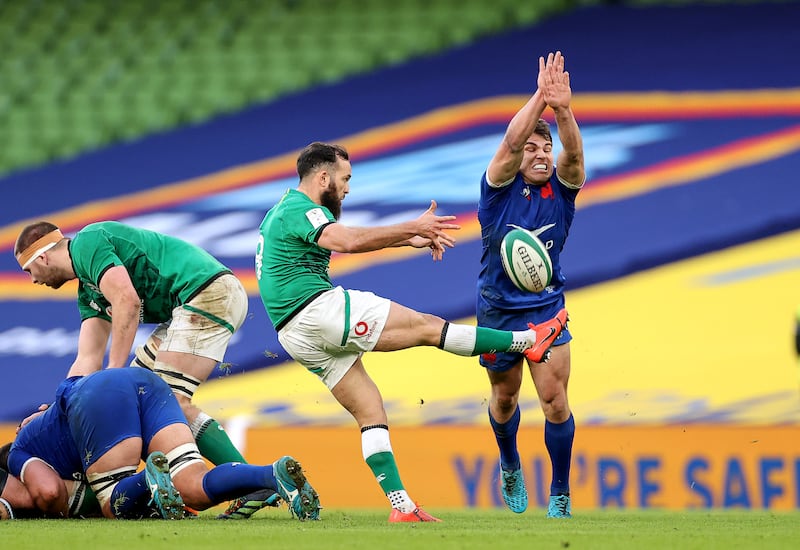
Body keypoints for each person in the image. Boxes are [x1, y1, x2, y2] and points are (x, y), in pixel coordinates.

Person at [255, 141, 568, 523]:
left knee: (370, 410)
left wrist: (408, 239)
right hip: (318, 310)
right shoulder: (299, 210)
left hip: (292, 333)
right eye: (345, 179)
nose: (348, 189)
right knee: (428, 328)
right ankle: (528, 341)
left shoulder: (278, 214)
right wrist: (413, 227)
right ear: (323, 177)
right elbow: (349, 241)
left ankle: (402, 507)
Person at [13, 220, 277, 518]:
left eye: (28, 270)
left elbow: (127, 300)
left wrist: (113, 377)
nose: (33, 280)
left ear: (43, 257)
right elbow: (87, 359)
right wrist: (60, 408)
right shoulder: (89, 291)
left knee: (168, 404)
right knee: (145, 402)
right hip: (192, 302)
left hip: (205, 293)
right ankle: (225, 482)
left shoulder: (87, 243)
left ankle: (251, 484)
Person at [476, 51, 584, 519]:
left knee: (555, 401)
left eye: (547, 150)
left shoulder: (563, 190)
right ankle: (510, 461)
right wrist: (540, 96)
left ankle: (559, 491)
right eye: (533, 150)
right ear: (519, 159)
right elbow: (509, 141)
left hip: (546, 308)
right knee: (504, 397)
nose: (542, 155)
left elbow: (575, 155)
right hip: (498, 310)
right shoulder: (498, 192)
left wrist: (562, 110)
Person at [6, 367, 321, 520]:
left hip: (98, 398)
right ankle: (270, 475)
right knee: (193, 487)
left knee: (112, 503)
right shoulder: (45, 425)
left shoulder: (19, 450)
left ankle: (148, 478)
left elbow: (48, 492)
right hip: (147, 383)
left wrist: (51, 507)